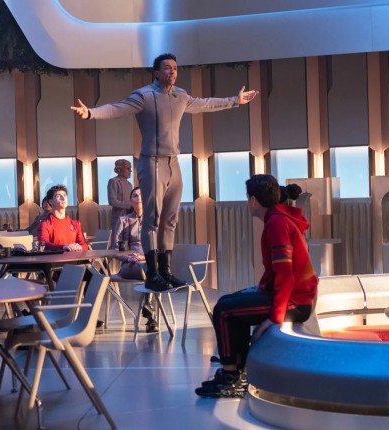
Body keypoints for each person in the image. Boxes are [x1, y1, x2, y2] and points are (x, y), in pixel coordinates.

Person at [71, 53, 259, 292]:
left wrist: (235, 100)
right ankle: (152, 274)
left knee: (170, 219)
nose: (172, 72)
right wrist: (91, 112)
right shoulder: (144, 96)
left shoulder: (181, 96)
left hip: (173, 163)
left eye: (175, 68)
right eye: (167, 68)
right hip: (152, 162)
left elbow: (205, 103)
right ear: (157, 72)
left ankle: (165, 271)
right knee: (152, 218)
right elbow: (117, 108)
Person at [194, 175, 317, 398]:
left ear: (253, 200)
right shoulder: (278, 219)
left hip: (296, 302)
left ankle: (232, 377)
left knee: (224, 311)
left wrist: (274, 318)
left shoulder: (277, 223)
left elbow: (286, 275)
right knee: (227, 302)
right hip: (295, 296)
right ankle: (237, 369)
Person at [113, 187, 158, 332]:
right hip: (129, 265)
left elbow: (160, 248)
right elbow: (115, 249)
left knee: (151, 270)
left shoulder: (153, 221)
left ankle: (149, 311)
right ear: (130, 201)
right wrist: (128, 258)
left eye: (141, 195)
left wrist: (144, 257)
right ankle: (150, 314)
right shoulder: (123, 220)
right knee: (153, 272)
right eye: (135, 196)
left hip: (148, 262)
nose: (138, 198)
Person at [37, 185, 89, 251]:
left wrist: (80, 247)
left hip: (74, 257)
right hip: (55, 257)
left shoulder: (76, 224)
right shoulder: (45, 224)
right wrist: (63, 247)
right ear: (51, 201)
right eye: (58, 196)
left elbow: (84, 245)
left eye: (64, 195)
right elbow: (43, 244)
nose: (63, 198)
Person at [108, 159, 134, 241]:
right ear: (119, 169)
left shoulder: (130, 185)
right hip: (118, 218)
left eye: (130, 168)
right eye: (128, 168)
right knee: (117, 241)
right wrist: (129, 205)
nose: (130, 171)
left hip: (129, 217)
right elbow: (112, 201)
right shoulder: (113, 181)